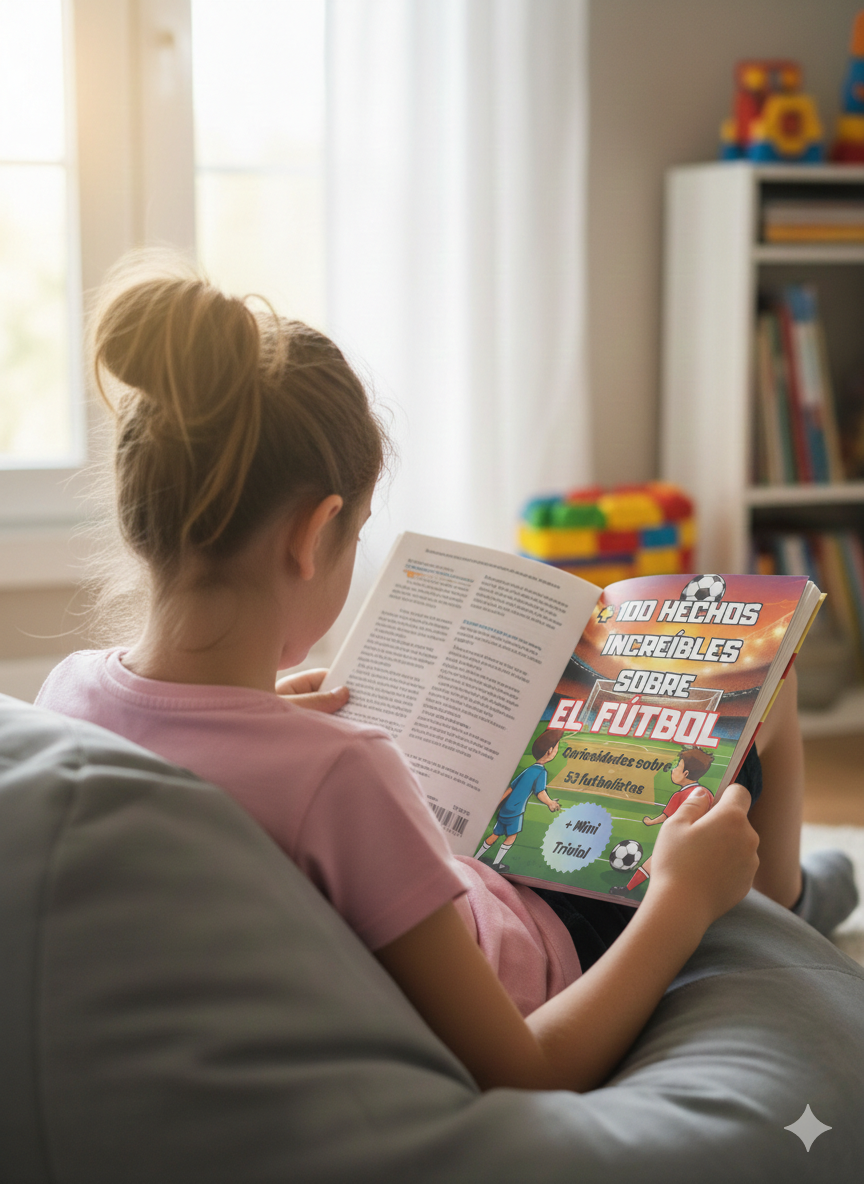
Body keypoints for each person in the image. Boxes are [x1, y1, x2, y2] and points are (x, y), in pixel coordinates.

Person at [37, 254, 857, 1095]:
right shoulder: (338, 775)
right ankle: (781, 899)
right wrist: (680, 900)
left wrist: (257, 710)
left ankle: (792, 893)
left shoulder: (67, 695)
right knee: (767, 677)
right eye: (354, 537)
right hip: (547, 935)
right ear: (314, 535)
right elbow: (529, 1068)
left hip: (458, 894)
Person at [608, 745, 716, 899]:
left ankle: (629, 890)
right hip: (699, 842)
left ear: (685, 773)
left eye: (677, 766)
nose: (673, 770)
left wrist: (650, 822)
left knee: (654, 863)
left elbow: (665, 816)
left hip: (678, 840)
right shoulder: (706, 793)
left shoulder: (679, 796)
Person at [474, 728, 562, 872]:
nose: (556, 751)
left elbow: (511, 788)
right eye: (556, 748)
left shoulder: (528, 769)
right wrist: (550, 802)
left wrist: (497, 803)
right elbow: (540, 792)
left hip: (506, 808)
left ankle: (476, 858)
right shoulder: (540, 772)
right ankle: (496, 864)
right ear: (549, 751)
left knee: (496, 834)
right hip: (515, 811)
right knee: (511, 837)